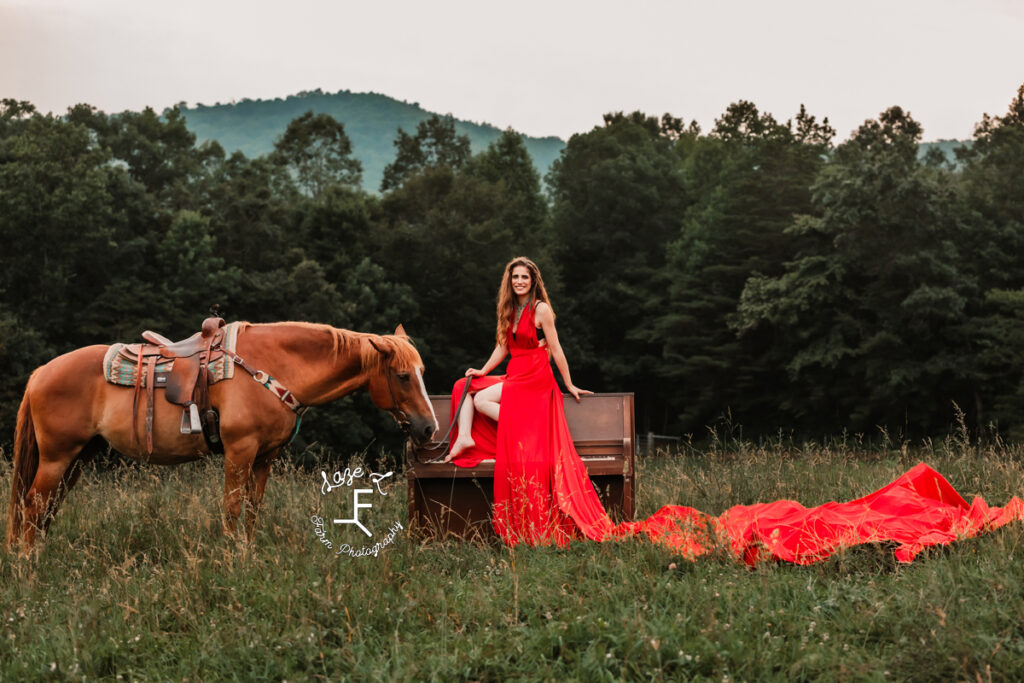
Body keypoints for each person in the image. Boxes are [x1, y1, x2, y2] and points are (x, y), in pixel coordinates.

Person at [441, 256, 616, 546]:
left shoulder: (541, 309)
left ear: (533, 281)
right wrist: (484, 370)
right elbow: (503, 346)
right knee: (467, 386)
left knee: (482, 398)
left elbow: (556, 349)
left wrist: (568, 383)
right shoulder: (510, 309)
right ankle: (465, 438)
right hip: (515, 374)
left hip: (535, 378)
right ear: (509, 282)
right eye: (515, 277)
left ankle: (515, 423)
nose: (519, 281)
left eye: (524, 277)